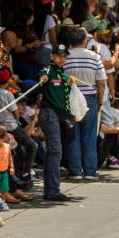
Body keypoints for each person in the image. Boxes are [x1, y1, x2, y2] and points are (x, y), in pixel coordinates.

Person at [64, 27, 107, 180]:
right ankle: (89, 171)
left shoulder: (65, 57)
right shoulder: (94, 57)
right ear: (84, 40)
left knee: (72, 135)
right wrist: (100, 101)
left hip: (70, 99)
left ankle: (75, 171)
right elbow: (101, 82)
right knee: (89, 135)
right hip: (90, 98)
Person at [0, 67, 37, 185]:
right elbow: (16, 113)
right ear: (8, 80)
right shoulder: (8, 94)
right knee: (32, 145)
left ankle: (19, 175)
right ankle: (26, 173)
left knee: (19, 150)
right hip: (10, 126)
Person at [37, 45, 72, 202]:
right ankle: (52, 190)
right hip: (49, 113)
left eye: (64, 56)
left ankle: (50, 189)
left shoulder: (62, 73)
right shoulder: (49, 70)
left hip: (60, 114)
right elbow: (43, 74)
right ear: (52, 56)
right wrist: (43, 78)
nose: (62, 59)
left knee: (56, 151)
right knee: (55, 150)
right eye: (59, 56)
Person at [0, 125, 27, 205]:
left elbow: (10, 158)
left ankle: (2, 203)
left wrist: (11, 167)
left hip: (4, 172)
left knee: (4, 189)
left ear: (3, 138)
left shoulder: (7, 147)